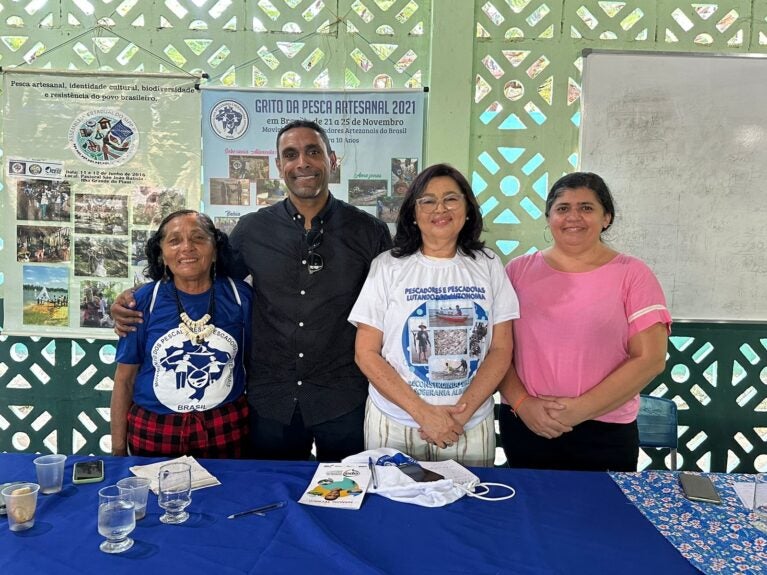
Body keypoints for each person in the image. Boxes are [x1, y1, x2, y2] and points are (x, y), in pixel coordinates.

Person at [111, 120, 391, 462]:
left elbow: (390, 302)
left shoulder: (369, 232)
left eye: (313, 152)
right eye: (290, 155)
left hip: (343, 397)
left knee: (350, 494)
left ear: (332, 160)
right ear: (279, 167)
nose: (302, 162)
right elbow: (199, 278)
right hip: (271, 400)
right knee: (269, 496)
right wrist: (134, 297)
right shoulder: (252, 230)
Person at [499, 172, 671, 472]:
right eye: (562, 208)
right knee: (530, 516)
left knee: (602, 517)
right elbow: (498, 351)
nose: (573, 217)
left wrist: (578, 411)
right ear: (549, 217)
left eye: (586, 208)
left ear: (607, 218)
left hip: (604, 431)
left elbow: (650, 359)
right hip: (527, 423)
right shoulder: (517, 271)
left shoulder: (633, 274)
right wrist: (523, 404)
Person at [350, 163, 519, 467]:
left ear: (467, 208)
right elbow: (366, 352)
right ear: (413, 213)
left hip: (466, 424)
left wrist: (460, 415)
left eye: (451, 199)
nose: (439, 208)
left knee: (467, 510)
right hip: (395, 422)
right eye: (427, 201)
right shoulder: (387, 266)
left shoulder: (488, 264)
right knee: (392, 510)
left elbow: (501, 348)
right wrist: (423, 413)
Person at [110, 210, 252, 458]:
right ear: (162, 254)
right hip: (155, 430)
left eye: (198, 238)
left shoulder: (240, 297)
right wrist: (118, 450)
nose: (187, 248)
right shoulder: (143, 302)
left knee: (227, 496)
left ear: (215, 249)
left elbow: (254, 362)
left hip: (225, 427)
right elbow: (124, 380)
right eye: (174, 241)